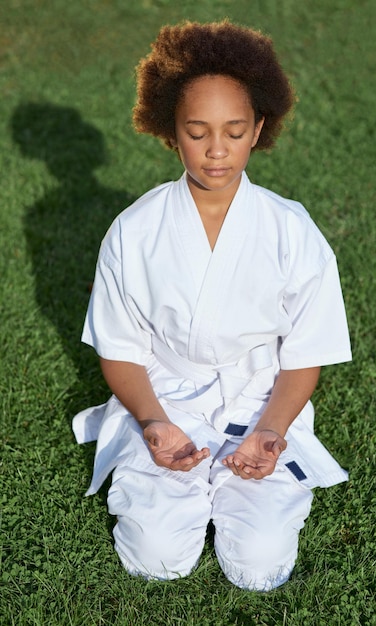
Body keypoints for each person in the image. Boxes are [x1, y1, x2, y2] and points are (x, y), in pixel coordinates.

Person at [73, 20, 352, 591]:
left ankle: (241, 484)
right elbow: (122, 351)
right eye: (197, 132)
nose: (216, 150)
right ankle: (171, 486)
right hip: (167, 397)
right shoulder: (133, 232)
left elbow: (303, 353)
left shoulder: (291, 231)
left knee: (261, 565)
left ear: (259, 130)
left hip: (260, 399)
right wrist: (152, 423)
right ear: (171, 133)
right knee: (155, 558)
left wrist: (271, 432)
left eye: (234, 130)